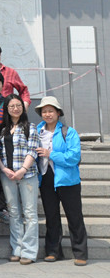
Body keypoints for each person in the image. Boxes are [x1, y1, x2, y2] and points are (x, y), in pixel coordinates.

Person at [34, 96, 88, 266]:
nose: (47, 114)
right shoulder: (37, 131)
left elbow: (74, 157)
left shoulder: (69, 132)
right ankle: (53, 251)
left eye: (51, 111)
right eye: (44, 111)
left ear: (58, 113)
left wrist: (51, 154)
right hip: (46, 178)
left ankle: (80, 252)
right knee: (51, 216)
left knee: (74, 216)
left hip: (67, 180)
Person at [0, 93, 41, 264]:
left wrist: (22, 170)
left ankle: (29, 252)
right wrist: (3, 169)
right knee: (13, 213)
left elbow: (32, 150)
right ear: (6, 109)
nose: (16, 109)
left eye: (18, 106)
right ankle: (17, 248)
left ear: (23, 108)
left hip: (27, 175)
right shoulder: (2, 129)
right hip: (7, 175)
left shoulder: (30, 127)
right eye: (12, 106)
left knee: (30, 213)